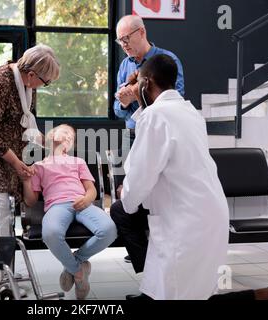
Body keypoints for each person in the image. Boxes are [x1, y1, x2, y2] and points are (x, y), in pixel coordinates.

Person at [110, 53, 268, 300]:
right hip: (208, 215)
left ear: (146, 83)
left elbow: (139, 177)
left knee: (183, 294)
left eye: (140, 84)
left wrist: (126, 196)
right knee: (192, 293)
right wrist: (142, 99)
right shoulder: (188, 112)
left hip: (185, 222)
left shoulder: (156, 116)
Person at [0, 44, 60, 238]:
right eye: (46, 82)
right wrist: (16, 162)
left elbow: (22, 123)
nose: (44, 85)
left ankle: (3, 260)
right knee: (0, 207)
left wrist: (47, 143)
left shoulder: (25, 86)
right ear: (32, 74)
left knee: (7, 208)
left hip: (8, 152)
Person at [114, 14, 184, 264]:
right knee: (134, 194)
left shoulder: (166, 60)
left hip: (157, 131)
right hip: (133, 134)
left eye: (126, 38)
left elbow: (175, 97)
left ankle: (157, 248)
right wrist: (125, 102)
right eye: (119, 40)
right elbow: (117, 109)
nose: (124, 45)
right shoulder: (125, 65)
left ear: (141, 32)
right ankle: (142, 251)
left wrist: (136, 98)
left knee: (156, 190)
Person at [22, 124, 117, 300]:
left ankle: (74, 263)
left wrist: (87, 199)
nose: (67, 137)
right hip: (56, 206)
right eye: (64, 133)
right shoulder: (38, 166)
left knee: (109, 230)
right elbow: (30, 201)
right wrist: (26, 181)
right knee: (50, 233)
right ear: (51, 136)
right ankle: (79, 272)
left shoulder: (78, 162)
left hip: (83, 204)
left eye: (71, 137)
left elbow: (91, 190)